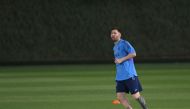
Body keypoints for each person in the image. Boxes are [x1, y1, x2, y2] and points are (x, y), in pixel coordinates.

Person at [111, 28, 148, 109]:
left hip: (129, 75)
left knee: (136, 96)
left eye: (115, 33)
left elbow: (133, 53)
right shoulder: (115, 47)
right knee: (120, 97)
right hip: (120, 77)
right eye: (111, 33)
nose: (112, 35)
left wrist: (121, 59)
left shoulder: (124, 43)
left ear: (119, 34)